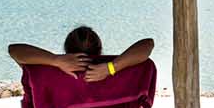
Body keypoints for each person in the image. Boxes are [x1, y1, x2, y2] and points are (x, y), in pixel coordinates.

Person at [8, 26, 154, 82]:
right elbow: (148, 44)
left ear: (66, 49)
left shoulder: (46, 72)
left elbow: (14, 50)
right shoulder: (122, 72)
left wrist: (55, 60)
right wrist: (111, 68)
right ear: (99, 48)